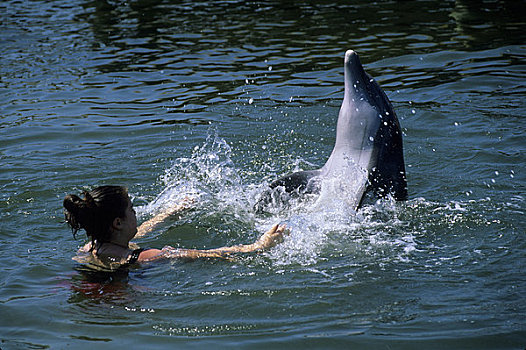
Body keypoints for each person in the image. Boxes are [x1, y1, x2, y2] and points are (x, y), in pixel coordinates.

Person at [63, 186, 287, 268]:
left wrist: (169, 214)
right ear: (118, 223)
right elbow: (200, 254)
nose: (136, 212)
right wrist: (258, 246)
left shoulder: (90, 247)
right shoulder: (143, 258)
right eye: (131, 209)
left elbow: (135, 233)